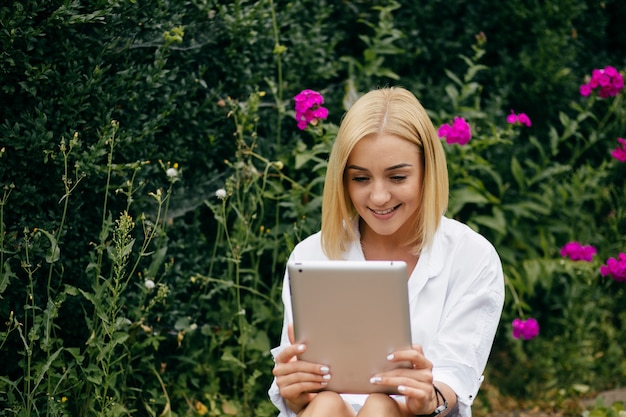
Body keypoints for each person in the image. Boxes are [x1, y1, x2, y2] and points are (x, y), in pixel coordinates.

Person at [269, 87, 505, 417]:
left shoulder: (471, 257)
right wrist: (293, 390)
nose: (379, 197)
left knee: (381, 407)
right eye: (361, 178)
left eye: (397, 176)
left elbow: (455, 377)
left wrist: (426, 398)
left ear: (427, 171)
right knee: (325, 404)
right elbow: (303, 396)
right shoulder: (311, 254)